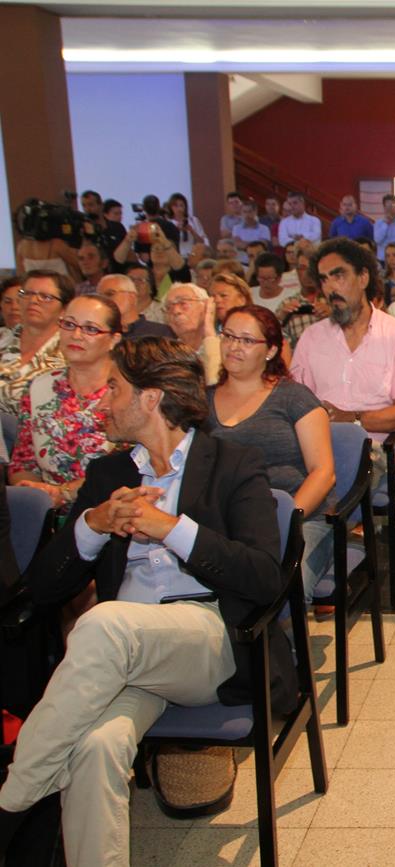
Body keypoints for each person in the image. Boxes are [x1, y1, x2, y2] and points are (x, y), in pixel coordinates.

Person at [0, 336, 289, 867]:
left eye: (114, 387)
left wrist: (170, 528)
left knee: (104, 622)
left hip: (205, 639)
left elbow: (265, 577)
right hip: (122, 658)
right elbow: (40, 590)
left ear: (150, 398)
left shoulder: (232, 463)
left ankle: (11, 799)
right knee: (95, 747)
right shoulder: (108, 474)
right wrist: (92, 525)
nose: (103, 401)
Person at [209, 305, 334, 607]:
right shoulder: (201, 400)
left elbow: (323, 472)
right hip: (228, 520)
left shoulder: (293, 397)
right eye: (228, 336)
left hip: (296, 518)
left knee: (277, 588)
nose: (234, 346)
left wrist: (286, 519)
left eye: (246, 340)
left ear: (271, 350)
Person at [290, 238, 395, 450]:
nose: (331, 287)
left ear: (363, 278)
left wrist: (352, 418)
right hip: (318, 448)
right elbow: (295, 405)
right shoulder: (311, 338)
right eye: (324, 279)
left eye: (339, 276)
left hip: (377, 452)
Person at [8, 294, 122, 510]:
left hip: (109, 509)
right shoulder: (39, 386)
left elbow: (131, 466)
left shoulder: (127, 391)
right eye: (69, 324)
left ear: (114, 339)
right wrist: (36, 492)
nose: (76, 335)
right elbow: (23, 462)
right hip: (47, 510)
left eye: (90, 329)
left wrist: (64, 492)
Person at [0, 270, 70, 415]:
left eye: (45, 297)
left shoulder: (70, 353)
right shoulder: (3, 337)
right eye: (27, 294)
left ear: (64, 309)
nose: (33, 301)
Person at [163, 283, 221, 384]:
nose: (175, 311)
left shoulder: (224, 347)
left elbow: (215, 384)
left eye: (183, 303)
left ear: (206, 306)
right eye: (169, 307)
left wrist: (209, 334)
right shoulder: (166, 355)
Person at [97, 274, 172, 341]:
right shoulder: (98, 335)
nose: (103, 300)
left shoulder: (160, 333)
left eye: (110, 294)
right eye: (99, 297)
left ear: (132, 297)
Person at [165, 193, 208, 258]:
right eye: (176, 206)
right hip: (176, 257)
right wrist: (176, 230)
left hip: (192, 255)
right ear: (171, 207)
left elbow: (202, 242)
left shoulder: (193, 220)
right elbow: (167, 243)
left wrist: (191, 230)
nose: (179, 208)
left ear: (185, 207)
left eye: (181, 205)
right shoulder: (168, 223)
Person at [230, 199, 271, 265]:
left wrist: (244, 243)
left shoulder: (264, 228)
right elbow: (237, 244)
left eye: (250, 211)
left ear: (255, 212)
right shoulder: (236, 228)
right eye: (244, 212)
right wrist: (255, 242)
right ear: (241, 213)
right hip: (241, 262)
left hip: (259, 262)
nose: (247, 214)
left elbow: (262, 246)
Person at [372, 194, 395, 264]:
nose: (389, 209)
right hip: (381, 259)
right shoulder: (378, 223)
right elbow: (377, 240)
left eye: (391, 206)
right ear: (384, 207)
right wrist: (386, 224)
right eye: (387, 206)